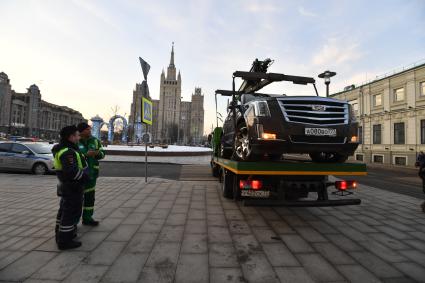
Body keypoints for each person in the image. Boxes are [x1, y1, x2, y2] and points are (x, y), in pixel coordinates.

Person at [52, 125, 89, 250]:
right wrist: (84, 176)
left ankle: (62, 234)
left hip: (68, 186)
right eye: (77, 135)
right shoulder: (68, 152)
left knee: (64, 211)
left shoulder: (65, 149)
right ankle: (65, 241)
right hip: (72, 187)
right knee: (71, 213)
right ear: (71, 137)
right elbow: (71, 172)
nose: (79, 137)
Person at [77, 122, 105, 226]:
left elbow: (102, 153)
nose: (90, 131)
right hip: (78, 175)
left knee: (90, 197)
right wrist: (85, 154)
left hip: (92, 174)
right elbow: (73, 156)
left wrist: (97, 153)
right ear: (81, 131)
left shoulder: (95, 141)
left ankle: (87, 218)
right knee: (77, 199)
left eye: (90, 129)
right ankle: (73, 222)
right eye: (88, 129)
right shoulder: (75, 141)